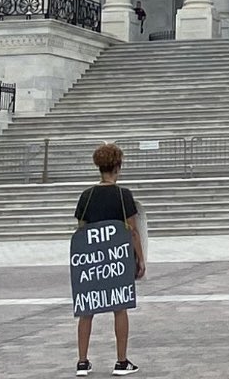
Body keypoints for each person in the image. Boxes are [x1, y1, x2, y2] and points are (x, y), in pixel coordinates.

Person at [73, 143, 145, 377]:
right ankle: (121, 361)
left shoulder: (87, 195)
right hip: (117, 258)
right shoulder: (123, 196)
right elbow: (133, 230)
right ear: (118, 167)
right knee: (120, 308)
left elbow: (81, 230)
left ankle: (82, 361)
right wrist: (140, 259)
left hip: (92, 261)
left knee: (87, 309)